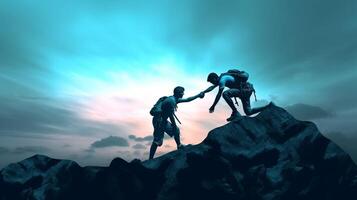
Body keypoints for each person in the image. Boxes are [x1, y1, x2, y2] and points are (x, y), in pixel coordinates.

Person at [149, 86, 204, 160]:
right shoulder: (171, 101)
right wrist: (174, 125)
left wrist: (198, 95)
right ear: (179, 93)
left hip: (162, 120)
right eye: (182, 92)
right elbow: (170, 115)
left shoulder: (174, 99)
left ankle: (179, 145)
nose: (183, 94)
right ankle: (150, 159)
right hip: (158, 120)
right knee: (158, 141)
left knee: (176, 130)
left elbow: (187, 99)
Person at [202, 69, 270, 121]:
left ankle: (235, 112)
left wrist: (213, 106)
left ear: (214, 78)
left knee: (225, 94)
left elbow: (219, 94)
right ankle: (267, 107)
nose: (212, 83)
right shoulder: (223, 78)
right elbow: (211, 88)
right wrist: (203, 92)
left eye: (211, 81)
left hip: (243, 91)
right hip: (246, 90)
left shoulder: (222, 80)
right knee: (248, 112)